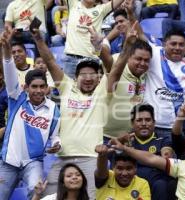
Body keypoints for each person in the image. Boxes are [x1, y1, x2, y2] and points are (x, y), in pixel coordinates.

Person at [32, 28, 106, 198]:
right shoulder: (67, 87)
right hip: (63, 159)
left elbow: (112, 68)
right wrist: (38, 39)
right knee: (45, 197)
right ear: (75, 77)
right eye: (83, 75)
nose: (88, 78)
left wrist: (98, 48)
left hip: (90, 158)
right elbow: (49, 60)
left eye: (92, 75)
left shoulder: (101, 92)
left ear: (99, 78)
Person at [0, 28, 61, 200]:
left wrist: (57, 143)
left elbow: (55, 137)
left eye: (42, 86)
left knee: (37, 194)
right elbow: (9, 68)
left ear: (47, 88)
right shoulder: (16, 97)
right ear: (26, 88)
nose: (39, 90)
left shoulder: (53, 109)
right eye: (34, 87)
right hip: (8, 161)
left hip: (33, 163)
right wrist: (5, 49)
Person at [103, 27, 153, 139]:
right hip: (104, 136)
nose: (142, 63)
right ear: (129, 57)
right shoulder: (117, 62)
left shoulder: (148, 73)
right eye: (138, 59)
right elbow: (108, 62)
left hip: (131, 139)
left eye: (146, 60)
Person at [63, 0, 125, 78]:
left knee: (91, 90)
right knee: (69, 89)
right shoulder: (73, 3)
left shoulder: (102, 9)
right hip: (71, 59)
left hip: (91, 60)